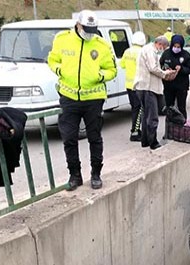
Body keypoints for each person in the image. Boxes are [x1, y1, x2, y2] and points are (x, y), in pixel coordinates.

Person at [47, 10, 117, 190]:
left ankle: (96, 174)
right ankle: (74, 175)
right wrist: (60, 71)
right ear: (78, 25)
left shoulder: (101, 44)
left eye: (93, 29)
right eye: (86, 28)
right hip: (69, 98)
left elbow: (112, 70)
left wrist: (99, 75)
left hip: (93, 99)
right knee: (69, 138)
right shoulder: (62, 39)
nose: (89, 32)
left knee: (94, 138)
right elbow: (52, 60)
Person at [134, 36, 175, 149]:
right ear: (159, 44)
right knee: (152, 116)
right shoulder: (150, 50)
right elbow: (153, 68)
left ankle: (145, 141)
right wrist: (164, 73)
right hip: (148, 88)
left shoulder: (146, 49)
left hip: (143, 87)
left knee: (146, 115)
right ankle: (153, 142)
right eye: (163, 47)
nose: (163, 49)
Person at [160, 34, 190, 119]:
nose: (176, 48)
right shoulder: (166, 53)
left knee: (181, 107)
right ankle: (170, 127)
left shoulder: (186, 55)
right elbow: (160, 65)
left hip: (181, 86)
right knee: (169, 108)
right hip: (169, 86)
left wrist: (182, 68)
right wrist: (166, 69)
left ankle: (183, 127)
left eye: (178, 47)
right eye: (175, 46)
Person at [121, 31, 147, 142]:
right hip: (139, 85)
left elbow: (122, 65)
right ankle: (135, 132)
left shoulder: (127, 51)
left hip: (129, 85)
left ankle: (136, 130)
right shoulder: (142, 52)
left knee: (134, 108)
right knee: (139, 108)